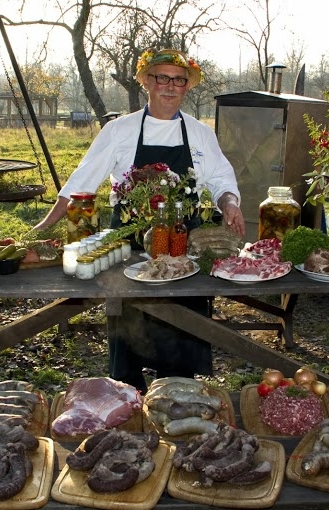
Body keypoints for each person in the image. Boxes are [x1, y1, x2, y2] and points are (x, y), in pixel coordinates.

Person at [33, 48, 245, 393]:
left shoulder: (201, 133)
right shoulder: (120, 130)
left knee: (181, 328)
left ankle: (176, 393)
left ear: (187, 87)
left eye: (179, 80)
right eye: (162, 77)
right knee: (128, 326)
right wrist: (43, 227)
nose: (170, 87)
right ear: (146, 81)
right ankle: (128, 396)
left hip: (182, 247)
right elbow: (81, 182)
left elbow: (222, 180)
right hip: (129, 245)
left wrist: (230, 203)